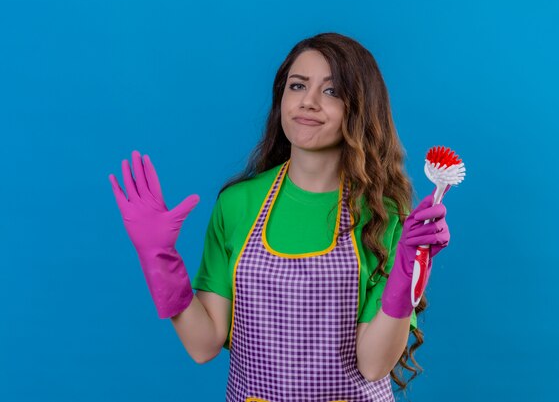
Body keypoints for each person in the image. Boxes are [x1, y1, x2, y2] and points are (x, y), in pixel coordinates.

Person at [109, 32, 451, 402]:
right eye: (298, 85)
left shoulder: (383, 216)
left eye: (331, 91)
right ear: (280, 99)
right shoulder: (238, 204)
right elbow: (203, 345)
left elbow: (372, 365)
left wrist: (407, 274)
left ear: (360, 109)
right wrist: (158, 257)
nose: (308, 101)